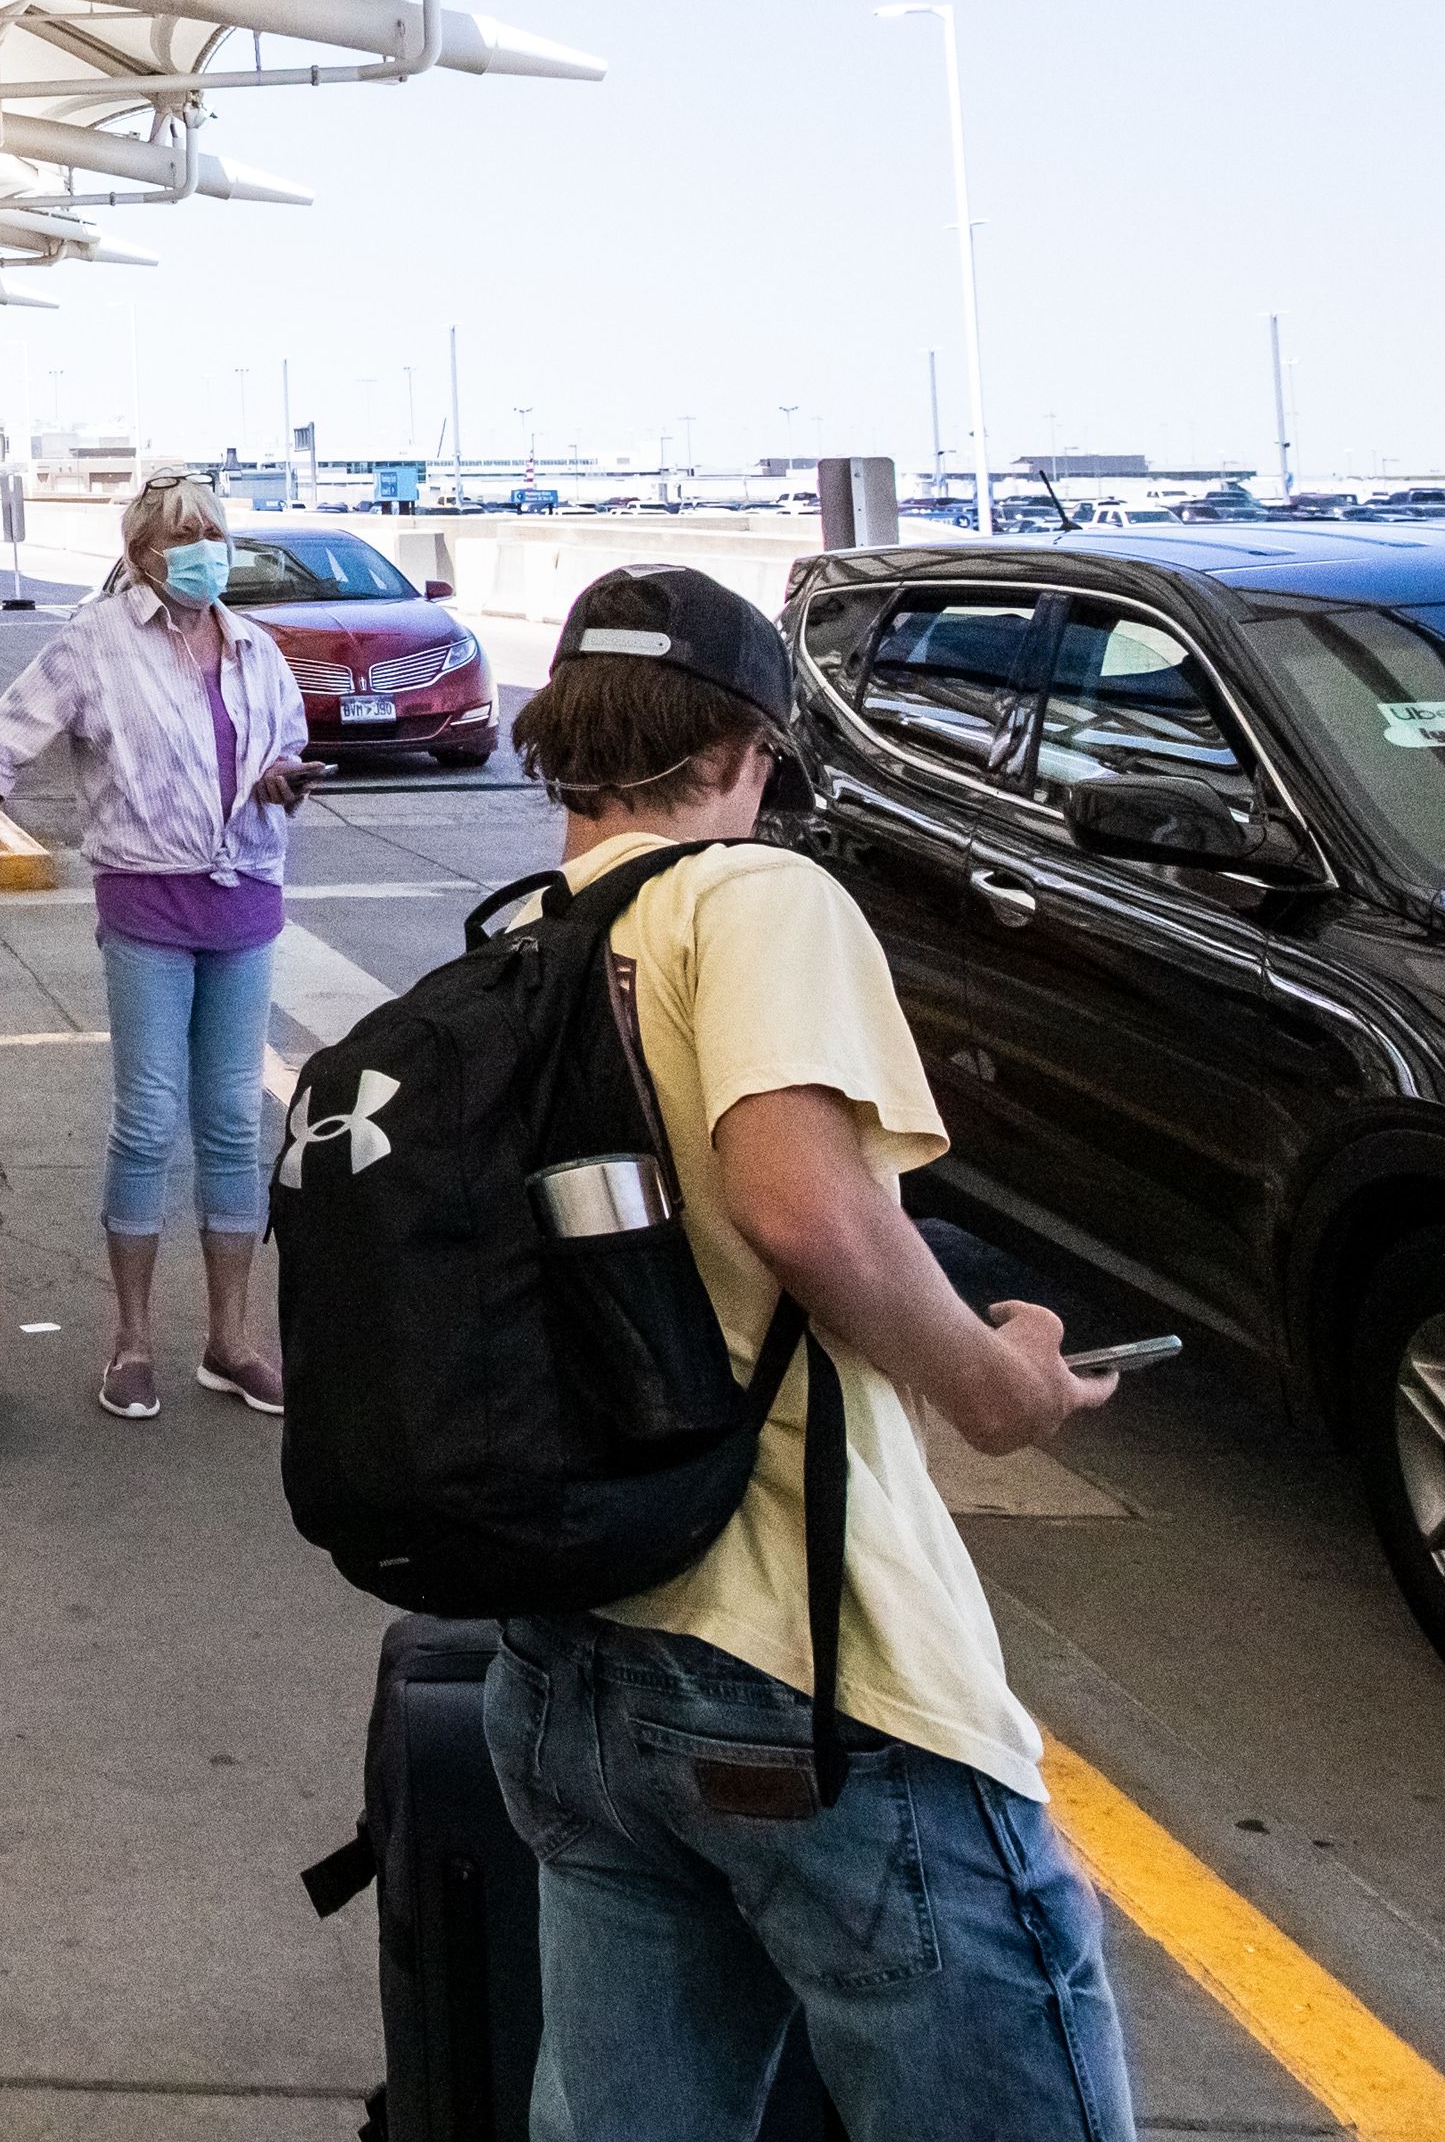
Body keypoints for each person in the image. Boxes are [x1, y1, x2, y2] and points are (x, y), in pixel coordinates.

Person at [488, 565, 1133, 2142]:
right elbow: (800, 1209)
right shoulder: (751, 897)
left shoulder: (508, 950)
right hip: (800, 1662)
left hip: (570, 1665)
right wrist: (996, 1385)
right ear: (750, 753)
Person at [0, 470, 303, 1422]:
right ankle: (132, 1340)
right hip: (147, 901)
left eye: (215, 532)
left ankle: (233, 1341)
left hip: (246, 898)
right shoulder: (99, 641)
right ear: (144, 555)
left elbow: (281, 748)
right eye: (186, 535)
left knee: (233, 1117)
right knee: (148, 1118)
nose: (204, 551)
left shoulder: (259, 650)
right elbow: (6, 733)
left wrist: (280, 781)